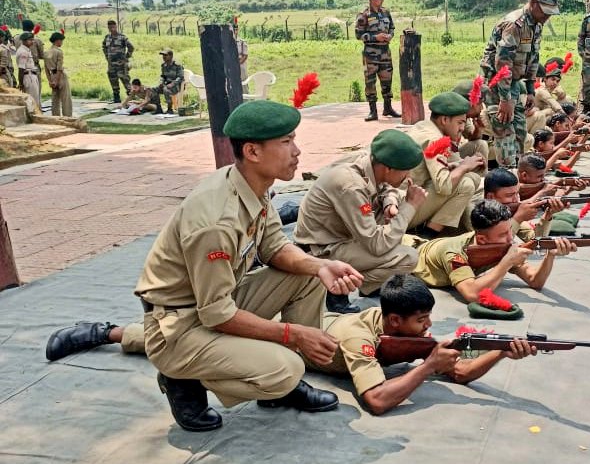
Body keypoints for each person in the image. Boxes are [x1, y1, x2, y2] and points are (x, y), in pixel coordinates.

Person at [132, 100, 364, 431]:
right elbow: (217, 314)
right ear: (253, 152)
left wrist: (320, 266)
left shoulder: (252, 185)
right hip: (180, 327)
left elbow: (274, 248)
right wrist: (293, 335)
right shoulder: (216, 220)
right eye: (286, 143)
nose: (297, 151)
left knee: (311, 275)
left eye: (293, 140)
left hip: (213, 303)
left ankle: (279, 389)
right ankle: (184, 377)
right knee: (285, 369)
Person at [310, 274, 537, 415]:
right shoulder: (358, 337)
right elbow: (377, 401)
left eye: (428, 316)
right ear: (396, 320)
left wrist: (500, 352)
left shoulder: (400, 327)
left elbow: (461, 373)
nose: (428, 324)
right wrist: (428, 367)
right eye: (421, 320)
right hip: (301, 331)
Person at [292, 129, 428, 314]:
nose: (409, 176)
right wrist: (410, 206)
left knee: (396, 228)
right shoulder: (351, 185)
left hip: (343, 234)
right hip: (321, 248)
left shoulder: (371, 163)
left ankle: (364, 284)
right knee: (407, 257)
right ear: (388, 168)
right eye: (406, 170)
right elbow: (377, 245)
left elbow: (386, 187)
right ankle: (338, 286)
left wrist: (390, 203)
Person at [413, 199, 577, 303]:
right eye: (503, 234)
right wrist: (506, 263)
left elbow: (535, 281)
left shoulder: (498, 247)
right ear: (482, 239)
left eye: (509, 231)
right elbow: (472, 294)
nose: (510, 238)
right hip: (405, 256)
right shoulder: (454, 253)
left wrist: (551, 255)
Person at [479, 0, 560, 166]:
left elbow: (533, 57)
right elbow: (503, 64)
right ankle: (507, 174)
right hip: (495, 83)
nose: (547, 16)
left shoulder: (536, 25)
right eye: (545, 10)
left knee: (520, 130)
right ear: (533, 3)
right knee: (505, 130)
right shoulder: (514, 24)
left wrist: (530, 89)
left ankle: (519, 170)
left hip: (513, 82)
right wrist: (505, 99)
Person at [405, 92, 486, 239]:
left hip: (395, 203)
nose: (462, 128)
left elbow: (434, 167)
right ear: (444, 120)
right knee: (466, 182)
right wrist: (464, 167)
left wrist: (461, 164)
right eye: (460, 122)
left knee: (467, 176)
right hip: (402, 212)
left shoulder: (423, 126)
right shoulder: (436, 140)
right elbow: (444, 185)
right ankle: (428, 235)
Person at [355, 0, 400, 121]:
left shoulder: (386, 13)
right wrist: (375, 37)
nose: (379, 0)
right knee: (370, 82)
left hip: (385, 53)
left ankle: (388, 108)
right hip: (371, 54)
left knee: (387, 81)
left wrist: (390, 36)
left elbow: (392, 27)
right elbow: (359, 34)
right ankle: (372, 111)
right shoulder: (364, 15)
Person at [451, 79, 490, 170]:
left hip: (453, 153)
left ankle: (480, 177)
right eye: (479, 103)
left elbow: (471, 138)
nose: (481, 108)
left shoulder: (465, 116)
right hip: (444, 157)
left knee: (480, 144)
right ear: (469, 104)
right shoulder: (452, 119)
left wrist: (478, 129)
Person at [101, 20, 134, 103]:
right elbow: (104, 47)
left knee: (125, 81)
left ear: (116, 27)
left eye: (113, 27)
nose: (112, 29)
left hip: (121, 64)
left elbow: (131, 47)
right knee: (113, 80)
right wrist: (107, 56)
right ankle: (116, 98)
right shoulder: (107, 37)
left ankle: (131, 99)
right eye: (110, 27)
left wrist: (126, 58)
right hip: (111, 65)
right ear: (108, 28)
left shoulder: (122, 37)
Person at [44, 32, 72, 116]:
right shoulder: (59, 52)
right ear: (58, 41)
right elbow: (59, 68)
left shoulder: (46, 52)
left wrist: (50, 80)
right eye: (61, 41)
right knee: (65, 99)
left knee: (55, 99)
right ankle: (67, 117)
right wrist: (57, 80)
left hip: (52, 75)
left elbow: (46, 69)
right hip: (60, 76)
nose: (62, 43)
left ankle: (55, 117)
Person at [153, 48, 184, 114]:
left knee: (166, 90)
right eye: (163, 55)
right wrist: (161, 82)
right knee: (153, 90)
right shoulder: (163, 65)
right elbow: (163, 76)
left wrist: (173, 84)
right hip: (166, 84)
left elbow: (180, 77)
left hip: (176, 86)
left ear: (171, 56)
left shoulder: (177, 65)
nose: (163, 57)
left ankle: (170, 109)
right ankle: (158, 108)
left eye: (165, 55)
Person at [15, 32, 40, 112]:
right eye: (30, 40)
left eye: (32, 40)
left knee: (35, 99)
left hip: (31, 75)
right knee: (32, 100)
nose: (32, 42)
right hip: (28, 77)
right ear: (24, 41)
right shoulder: (23, 52)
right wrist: (21, 83)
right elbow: (21, 69)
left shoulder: (27, 50)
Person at [233, 23, 249, 94]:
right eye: (233, 30)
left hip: (241, 65)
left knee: (243, 84)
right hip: (230, 66)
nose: (234, 31)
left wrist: (237, 64)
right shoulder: (227, 43)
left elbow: (245, 55)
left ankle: (246, 101)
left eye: (235, 30)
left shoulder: (242, 42)